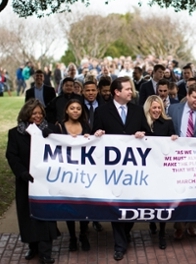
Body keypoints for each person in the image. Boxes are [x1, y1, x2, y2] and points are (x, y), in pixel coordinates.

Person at [92, 76, 151, 261]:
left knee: (132, 205)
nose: (131, 92)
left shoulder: (137, 110)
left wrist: (143, 133)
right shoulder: (102, 112)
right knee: (117, 205)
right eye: (127, 89)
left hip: (134, 170)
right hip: (112, 171)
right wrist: (98, 133)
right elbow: (95, 135)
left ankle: (125, 234)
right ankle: (120, 245)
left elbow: (148, 134)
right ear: (117, 92)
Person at [5, 99, 58, 263]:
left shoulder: (50, 132)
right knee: (28, 216)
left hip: (45, 182)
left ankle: (45, 252)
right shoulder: (15, 133)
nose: (38, 116)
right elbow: (11, 155)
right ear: (26, 114)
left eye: (40, 113)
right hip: (25, 181)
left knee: (45, 216)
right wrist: (22, 173)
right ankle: (32, 247)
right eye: (34, 113)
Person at [168, 82, 196, 239]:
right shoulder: (173, 110)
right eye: (194, 97)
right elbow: (166, 129)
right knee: (178, 193)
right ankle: (179, 226)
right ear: (187, 96)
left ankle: (192, 225)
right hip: (176, 159)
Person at [50, 99, 92, 251]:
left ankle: (83, 234)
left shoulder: (86, 126)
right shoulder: (59, 127)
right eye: (72, 108)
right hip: (66, 173)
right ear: (66, 110)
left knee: (83, 205)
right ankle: (72, 237)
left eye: (78, 109)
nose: (75, 111)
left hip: (83, 173)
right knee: (69, 206)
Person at [143, 95, 178, 249]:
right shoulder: (142, 123)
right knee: (150, 198)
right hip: (147, 168)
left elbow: (174, 141)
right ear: (148, 108)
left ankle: (162, 232)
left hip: (163, 168)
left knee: (162, 200)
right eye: (154, 108)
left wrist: (176, 138)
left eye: (159, 108)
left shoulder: (168, 123)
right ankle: (152, 223)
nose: (157, 110)